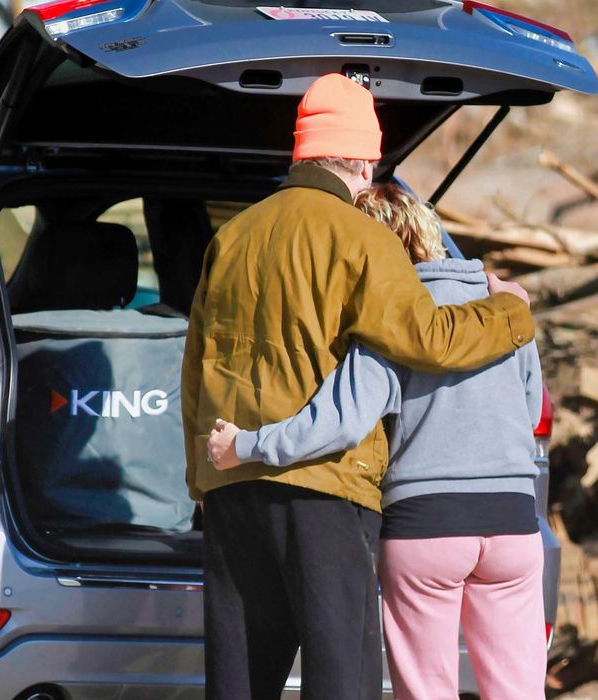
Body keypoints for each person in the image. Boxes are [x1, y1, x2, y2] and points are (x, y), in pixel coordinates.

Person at [181, 74, 534, 700]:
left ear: (302, 151)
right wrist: (510, 314)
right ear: (366, 159)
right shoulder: (363, 238)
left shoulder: (231, 236)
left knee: (238, 678)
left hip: (232, 485)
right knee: (341, 675)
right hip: (325, 485)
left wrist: (200, 480)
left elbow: (196, 368)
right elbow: (428, 339)